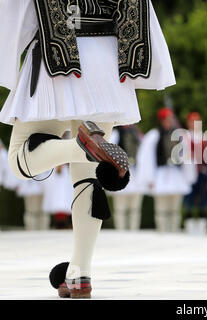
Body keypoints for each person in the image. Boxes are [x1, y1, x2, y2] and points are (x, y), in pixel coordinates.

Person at [0, 0, 175, 298]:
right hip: (107, 62)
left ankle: (80, 146)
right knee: (88, 180)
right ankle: (80, 272)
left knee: (19, 159)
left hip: (57, 56)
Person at [137, 108, 197, 233]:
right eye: (166, 119)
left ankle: (173, 230)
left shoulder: (180, 135)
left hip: (176, 174)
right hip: (161, 174)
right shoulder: (154, 135)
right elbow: (147, 158)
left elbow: (186, 155)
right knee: (162, 207)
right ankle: (163, 231)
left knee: (174, 207)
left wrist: (188, 175)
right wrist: (149, 178)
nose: (169, 122)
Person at [184, 112, 207, 236]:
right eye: (192, 121)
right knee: (189, 202)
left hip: (203, 173)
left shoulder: (206, 137)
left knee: (203, 201)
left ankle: (202, 231)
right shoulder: (184, 137)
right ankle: (190, 230)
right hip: (189, 173)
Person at [110, 125, 145, 231]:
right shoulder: (115, 134)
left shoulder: (137, 133)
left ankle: (134, 230)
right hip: (121, 172)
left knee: (135, 206)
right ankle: (121, 230)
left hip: (135, 172)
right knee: (120, 207)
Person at [42, 165, 73, 229]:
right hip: (57, 202)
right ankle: (59, 225)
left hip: (66, 201)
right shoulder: (51, 173)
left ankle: (67, 225)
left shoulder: (69, 171)